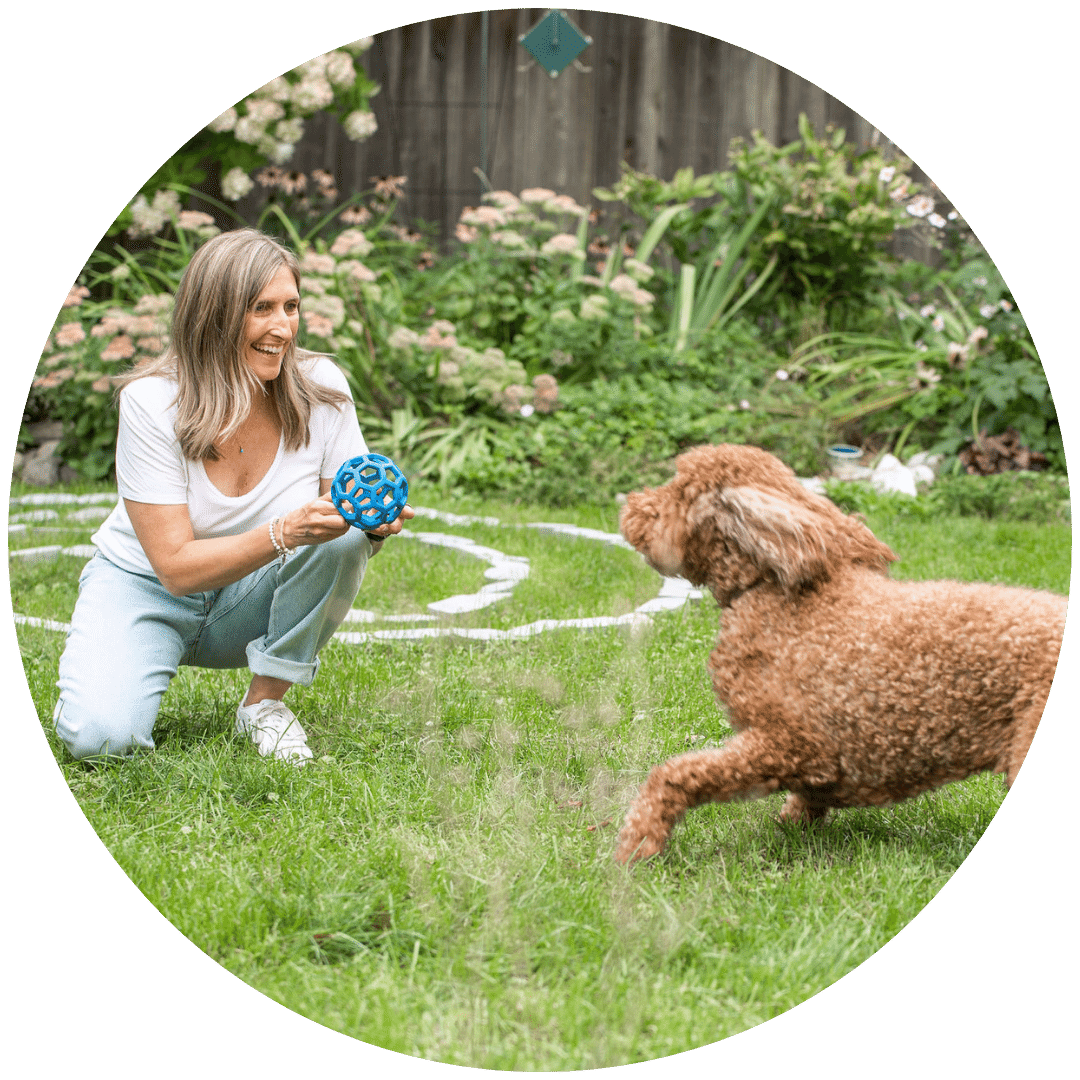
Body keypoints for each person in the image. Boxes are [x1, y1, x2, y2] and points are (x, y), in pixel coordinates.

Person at [52, 228, 413, 765]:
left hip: (249, 593)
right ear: (214, 315)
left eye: (291, 306)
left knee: (343, 543)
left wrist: (371, 528)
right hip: (147, 587)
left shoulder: (323, 387)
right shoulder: (152, 402)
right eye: (261, 308)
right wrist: (284, 531)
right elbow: (173, 567)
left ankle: (264, 705)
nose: (283, 328)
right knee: (101, 741)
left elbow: (337, 536)